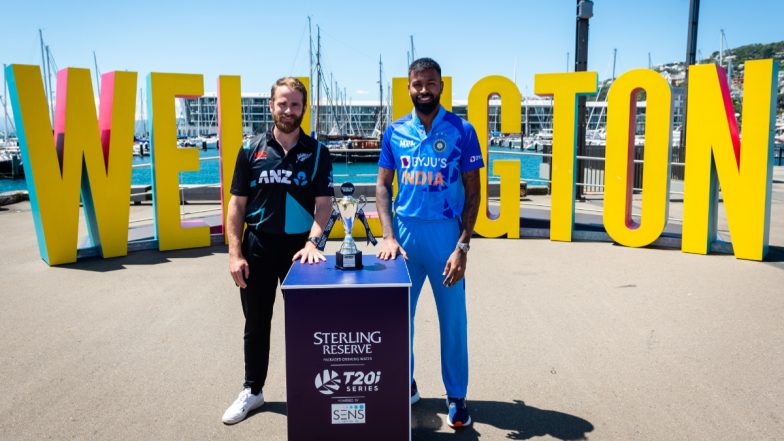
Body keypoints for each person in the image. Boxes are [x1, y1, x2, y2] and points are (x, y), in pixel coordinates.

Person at [375, 58, 483, 429]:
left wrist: (463, 246)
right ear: (408, 88)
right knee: (397, 320)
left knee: (453, 321)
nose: (424, 90)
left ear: (441, 86)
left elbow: (473, 190)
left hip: (445, 237)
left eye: (431, 83)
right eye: (417, 84)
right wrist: (388, 235)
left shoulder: (462, 129)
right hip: (404, 236)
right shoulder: (394, 131)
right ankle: (405, 383)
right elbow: (383, 185)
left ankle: (457, 396)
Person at [222, 77, 333, 425]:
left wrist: (313, 243)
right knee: (257, 323)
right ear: (271, 106)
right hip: (258, 247)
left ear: (304, 109)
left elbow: (325, 206)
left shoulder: (317, 153)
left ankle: (315, 390)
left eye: (295, 104)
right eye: (282, 104)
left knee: (308, 324)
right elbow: (237, 206)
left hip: (301, 251)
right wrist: (235, 253)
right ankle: (253, 390)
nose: (288, 111)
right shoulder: (249, 149)